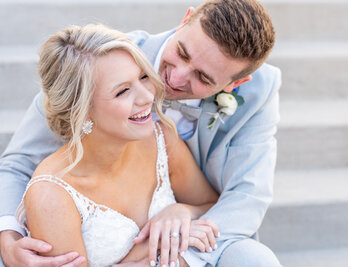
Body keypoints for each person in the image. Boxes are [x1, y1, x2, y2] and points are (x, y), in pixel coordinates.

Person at [0, 0, 282, 266]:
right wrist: (8, 237)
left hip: (195, 234)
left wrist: (184, 225)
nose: (176, 78)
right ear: (185, 20)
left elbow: (248, 195)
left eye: (204, 78)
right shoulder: (99, 61)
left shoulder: (256, 91)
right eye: (182, 53)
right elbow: (16, 164)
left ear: (237, 83)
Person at [16, 23, 220, 267]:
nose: (147, 97)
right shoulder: (51, 195)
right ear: (80, 110)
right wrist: (150, 256)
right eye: (122, 91)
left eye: (144, 77)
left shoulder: (161, 138)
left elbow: (211, 205)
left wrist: (183, 212)